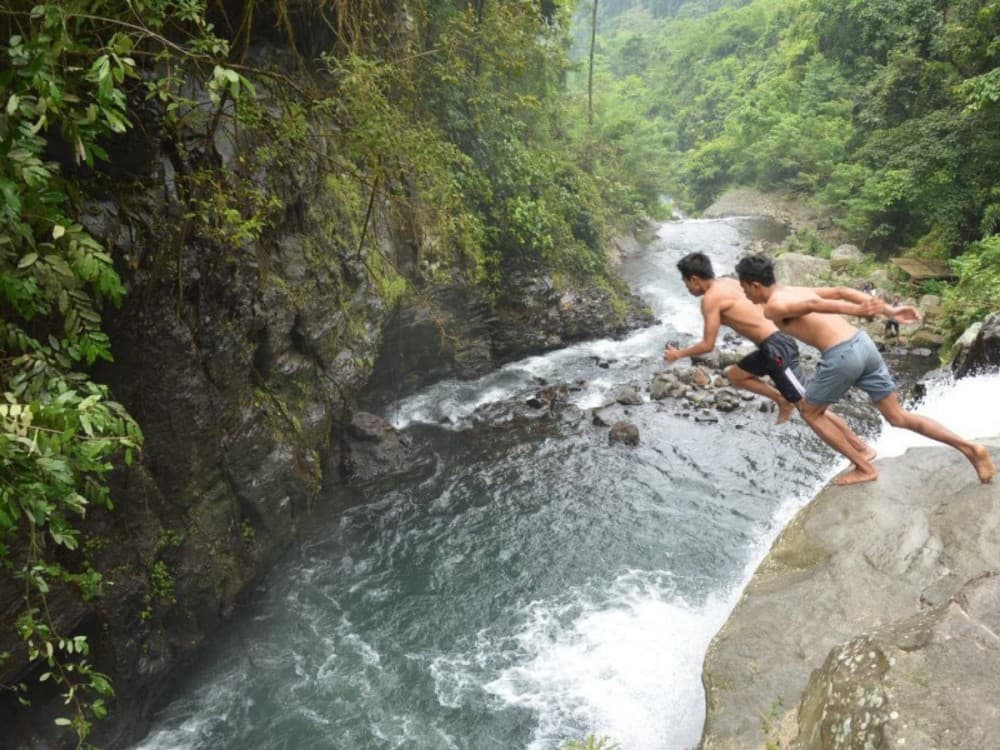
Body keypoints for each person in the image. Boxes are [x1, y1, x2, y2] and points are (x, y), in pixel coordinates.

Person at [735, 253, 996, 485]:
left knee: (810, 412)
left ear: (754, 285)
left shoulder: (773, 306)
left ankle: (864, 466)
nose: (745, 295)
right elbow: (840, 290)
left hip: (842, 355)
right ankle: (971, 449)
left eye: (745, 289)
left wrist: (858, 310)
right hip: (863, 343)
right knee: (898, 417)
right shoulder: (792, 290)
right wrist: (889, 310)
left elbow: (814, 306)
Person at [664, 252, 875, 465]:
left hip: (777, 348)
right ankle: (781, 399)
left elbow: (708, 345)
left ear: (695, 279)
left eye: (686, 284)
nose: (688, 289)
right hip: (770, 346)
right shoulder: (729, 282)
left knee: (810, 409)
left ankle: (861, 449)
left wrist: (678, 354)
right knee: (736, 376)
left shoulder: (710, 300)